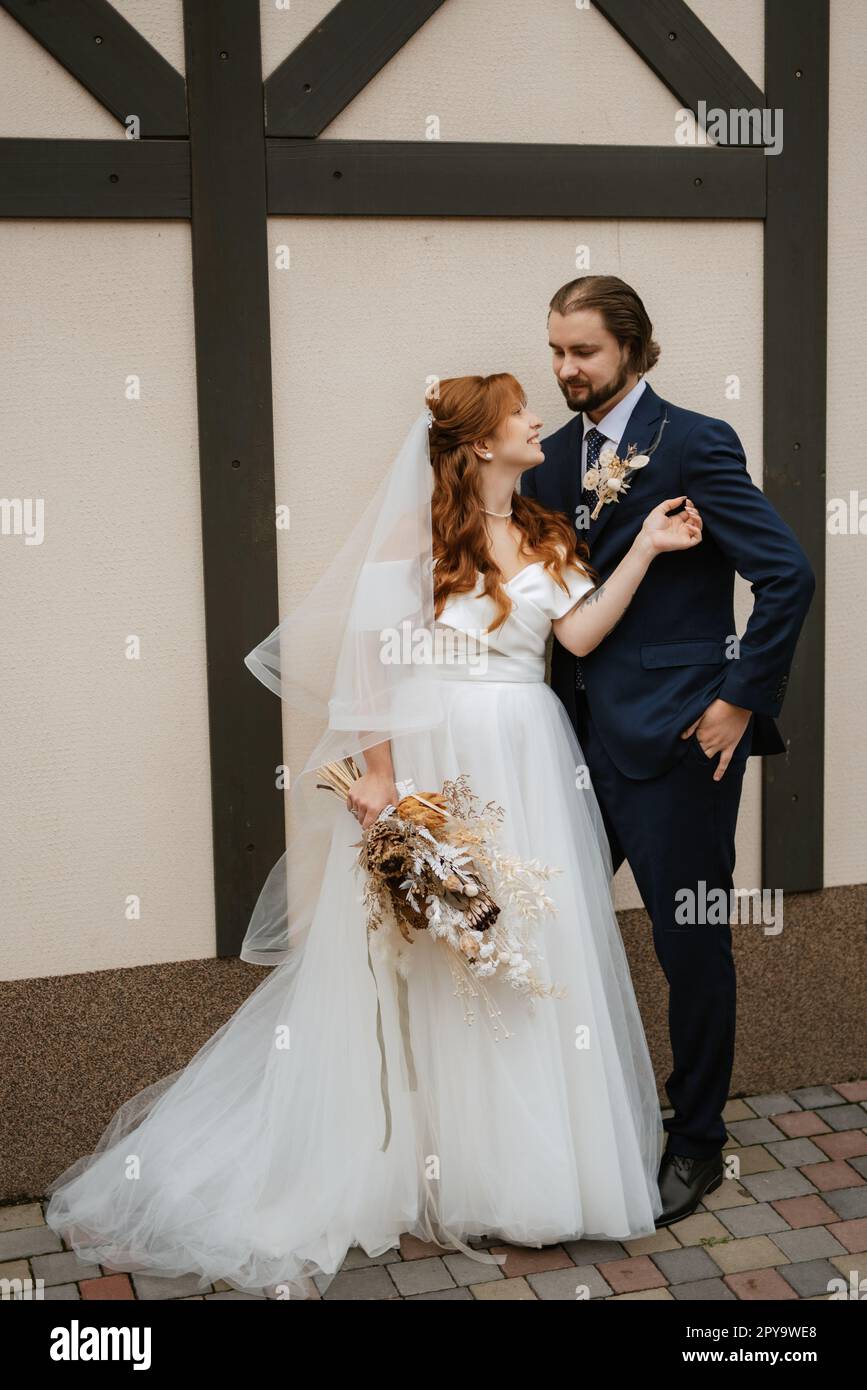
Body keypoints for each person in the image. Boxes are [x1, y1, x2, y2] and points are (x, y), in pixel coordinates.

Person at [44, 373, 703, 1298]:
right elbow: (367, 661)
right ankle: (433, 1161)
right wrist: (383, 778)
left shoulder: (551, 533)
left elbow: (584, 637)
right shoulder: (419, 540)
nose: (537, 423)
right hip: (439, 756)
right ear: (481, 442)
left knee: (524, 944)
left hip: (530, 755)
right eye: (521, 414)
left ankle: (535, 1171)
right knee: (433, 955)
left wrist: (645, 549)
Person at [521, 276, 816, 1226]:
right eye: (556, 351)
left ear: (634, 350)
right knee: (541, 931)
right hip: (569, 742)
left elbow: (786, 575)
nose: (565, 369)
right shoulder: (549, 458)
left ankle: (695, 1140)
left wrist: (736, 701)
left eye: (585, 353)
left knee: (687, 946)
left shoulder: (694, 442)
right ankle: (555, 1120)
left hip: (680, 743)